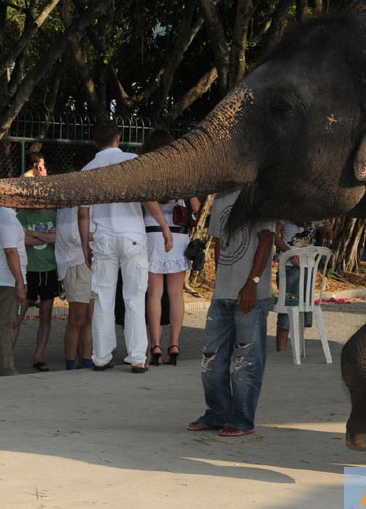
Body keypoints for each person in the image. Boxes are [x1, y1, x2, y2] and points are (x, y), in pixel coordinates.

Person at [79, 122, 171, 374]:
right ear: (118, 138)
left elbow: (83, 215)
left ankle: (101, 356)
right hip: (132, 235)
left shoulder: (88, 169)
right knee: (134, 297)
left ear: (95, 143)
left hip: (103, 237)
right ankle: (137, 357)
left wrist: (85, 244)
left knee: (104, 298)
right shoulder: (132, 161)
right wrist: (163, 225)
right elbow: (146, 197)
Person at [188, 190, 276, 437]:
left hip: (252, 294)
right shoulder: (220, 198)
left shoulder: (258, 195)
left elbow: (267, 239)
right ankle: (216, 414)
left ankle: (241, 419)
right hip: (223, 295)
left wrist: (252, 282)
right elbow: (217, 241)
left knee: (245, 361)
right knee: (211, 360)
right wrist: (220, 281)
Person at [138, 129, 200, 365]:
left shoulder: (147, 171)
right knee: (176, 294)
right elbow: (194, 206)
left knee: (154, 294)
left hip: (152, 234)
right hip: (179, 235)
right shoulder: (181, 173)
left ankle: (154, 346)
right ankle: (173, 344)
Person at [56, 147, 95, 370]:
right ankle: (70, 365)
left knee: (90, 320)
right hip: (77, 262)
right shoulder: (74, 194)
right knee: (76, 320)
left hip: (91, 262)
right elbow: (72, 235)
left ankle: (86, 362)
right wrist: (104, 234)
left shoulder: (86, 190)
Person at [0, 205, 27, 376]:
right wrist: (20, 283)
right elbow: (10, 251)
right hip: (7, 279)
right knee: (6, 325)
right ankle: (4, 369)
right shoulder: (8, 219)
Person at [274, 220, 333, 352]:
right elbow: (273, 235)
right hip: (290, 267)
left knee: (303, 309)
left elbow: (328, 236)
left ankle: (299, 348)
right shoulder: (286, 211)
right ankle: (281, 350)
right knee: (288, 307)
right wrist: (288, 252)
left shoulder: (316, 214)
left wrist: (328, 229)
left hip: (310, 267)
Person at [16, 189, 58, 372]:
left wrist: (36, 235)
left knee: (46, 315)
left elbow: (58, 238)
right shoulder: (22, 216)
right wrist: (46, 237)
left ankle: (38, 356)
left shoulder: (54, 216)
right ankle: (6, 355)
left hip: (49, 271)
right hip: (29, 271)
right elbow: (22, 239)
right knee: (17, 316)